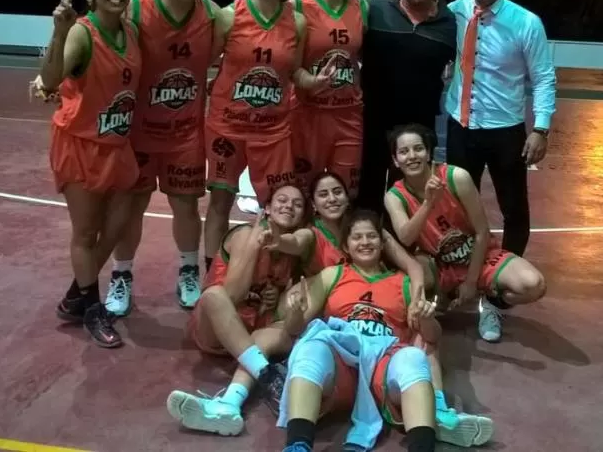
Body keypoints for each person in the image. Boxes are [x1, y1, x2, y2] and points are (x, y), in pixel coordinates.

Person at [165, 173, 425, 436]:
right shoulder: (301, 235)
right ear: (313, 204)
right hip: (257, 322)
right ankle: (250, 389)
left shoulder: (364, 230)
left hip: (330, 319)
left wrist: (417, 301)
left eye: (337, 192)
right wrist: (270, 242)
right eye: (323, 194)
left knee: (422, 338)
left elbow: (414, 266)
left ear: (348, 198)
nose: (332, 199)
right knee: (229, 307)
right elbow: (294, 243)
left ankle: (434, 405)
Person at [277, 210, 493, 451]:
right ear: (346, 246)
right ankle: (297, 445)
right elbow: (294, 329)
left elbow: (432, 338)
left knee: (413, 357)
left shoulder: (405, 283)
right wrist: (295, 313)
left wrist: (426, 319)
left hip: (383, 366)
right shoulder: (333, 275)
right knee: (311, 347)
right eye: (357, 237)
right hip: (343, 366)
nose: (365, 242)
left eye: (371, 236)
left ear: (382, 243)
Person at [105, 0, 227, 316]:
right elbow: (102, 41)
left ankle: (189, 270)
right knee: (131, 207)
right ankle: (121, 275)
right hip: (139, 132)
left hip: (186, 133)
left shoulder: (213, 15)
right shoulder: (138, 7)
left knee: (186, 206)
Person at [204, 0, 336, 274]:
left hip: (273, 130)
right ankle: (212, 271)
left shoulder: (297, 22)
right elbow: (204, 62)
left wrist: (315, 82)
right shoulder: (229, 16)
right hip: (226, 126)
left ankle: (277, 274)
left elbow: (296, 73)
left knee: (282, 204)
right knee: (220, 201)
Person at [36, 0, 141, 348]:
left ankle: (75, 294)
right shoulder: (83, 33)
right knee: (86, 231)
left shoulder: (131, 32)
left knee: (118, 227)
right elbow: (49, 80)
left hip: (117, 144)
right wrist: (59, 31)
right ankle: (93, 309)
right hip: (80, 145)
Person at [384, 123, 546, 342]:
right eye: (404, 152)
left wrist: (471, 282)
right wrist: (428, 203)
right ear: (395, 160)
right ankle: (441, 297)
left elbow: (482, 231)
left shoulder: (455, 177)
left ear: (429, 152)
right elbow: (406, 237)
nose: (412, 156)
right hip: (440, 263)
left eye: (418, 149)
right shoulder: (394, 196)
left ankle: (489, 302)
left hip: (480, 256)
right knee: (408, 281)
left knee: (534, 285)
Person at [167, 184, 306, 434]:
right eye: (282, 200)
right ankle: (267, 375)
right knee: (213, 296)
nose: (288, 206)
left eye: (297, 204)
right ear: (266, 208)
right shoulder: (245, 236)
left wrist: (277, 295)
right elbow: (233, 295)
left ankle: (236, 397)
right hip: (217, 330)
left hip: (251, 334)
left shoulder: (290, 250)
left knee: (289, 326)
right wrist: (255, 245)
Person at [444, 0, 556, 257]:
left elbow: (544, 77)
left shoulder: (526, 23)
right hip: (461, 127)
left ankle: (506, 277)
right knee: (457, 206)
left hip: (505, 132)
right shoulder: (456, 9)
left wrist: (541, 129)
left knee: (514, 209)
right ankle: (461, 268)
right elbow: (422, 8)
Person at [356, 0, 456, 214]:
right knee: (367, 196)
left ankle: (402, 253)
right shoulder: (373, 10)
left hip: (419, 128)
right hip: (372, 124)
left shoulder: (450, 23)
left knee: (408, 200)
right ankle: (368, 252)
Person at [290, 0, 366, 195]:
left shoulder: (363, 9)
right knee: (303, 191)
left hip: (348, 114)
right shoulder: (296, 8)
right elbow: (291, 69)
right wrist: (312, 81)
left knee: (346, 193)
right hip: (307, 113)